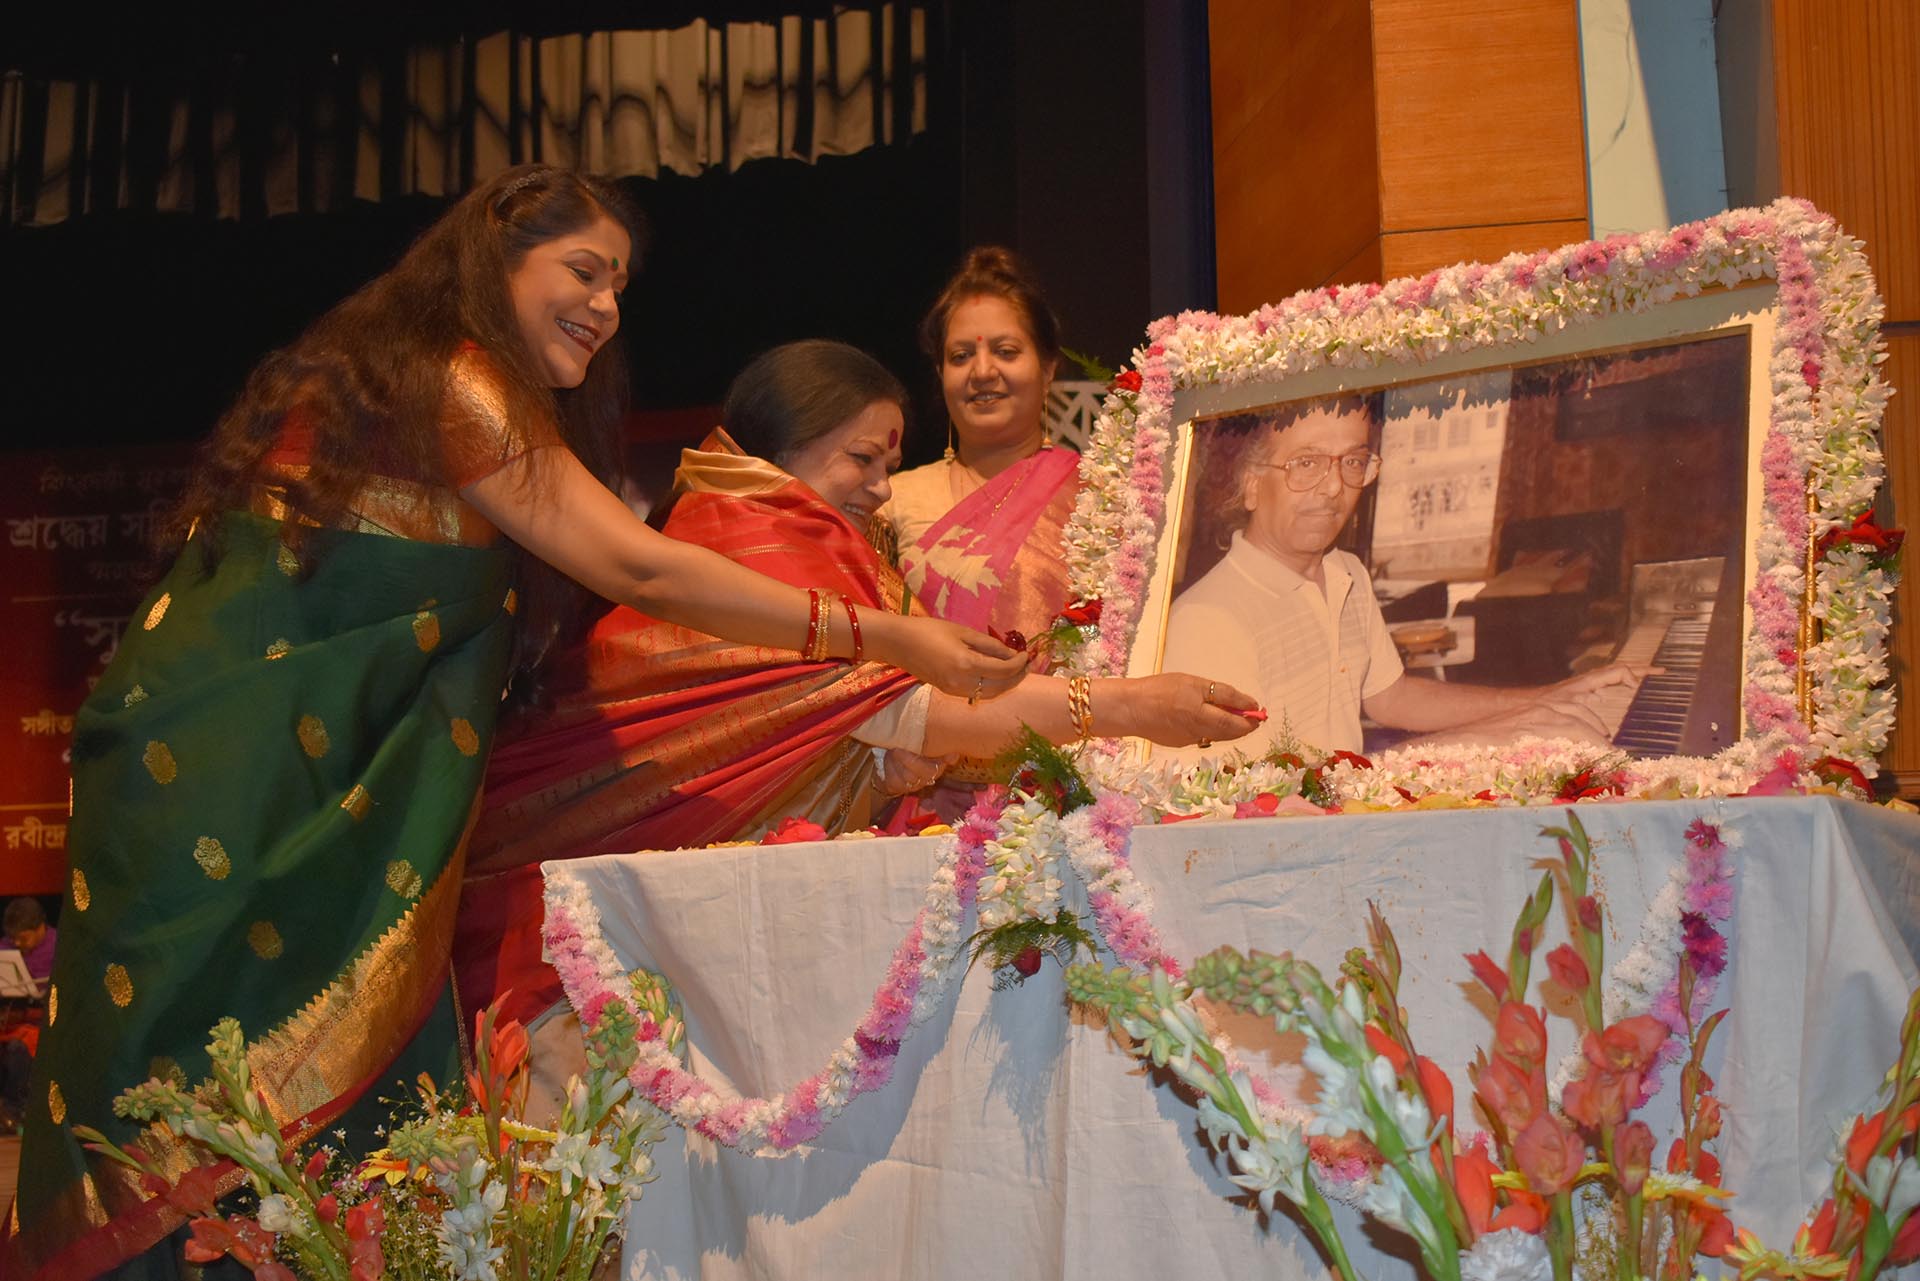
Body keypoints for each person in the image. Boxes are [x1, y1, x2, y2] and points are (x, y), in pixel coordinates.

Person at [6, 165, 1027, 1281]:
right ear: (494, 261)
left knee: (298, 1110)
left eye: (622, 286)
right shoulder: (454, 383)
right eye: (582, 272)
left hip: (305, 798)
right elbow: (635, 562)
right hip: (233, 786)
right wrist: (887, 638)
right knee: (186, 1085)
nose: (606, 307)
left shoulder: (454, 392)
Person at [457, 339, 1262, 1029]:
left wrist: (873, 767)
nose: (881, 486)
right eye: (862, 458)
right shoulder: (754, 540)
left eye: (889, 461)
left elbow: (810, 725)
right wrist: (1127, 706)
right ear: (785, 443)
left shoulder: (787, 532)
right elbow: (913, 711)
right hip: (554, 917)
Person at [1160, 394, 1638, 763]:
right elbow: (1256, 810)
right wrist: (1487, 738)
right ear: (1249, 482)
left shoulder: (1345, 572)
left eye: (1352, 462)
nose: (1333, 488)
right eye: (1305, 463)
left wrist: (1546, 698)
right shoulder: (1208, 621)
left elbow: (1391, 697)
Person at [880, 246, 1080, 643]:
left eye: (1006, 352)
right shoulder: (893, 501)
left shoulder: (1097, 498)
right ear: (941, 373)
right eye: (961, 356)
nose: (983, 371)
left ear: (1048, 367)